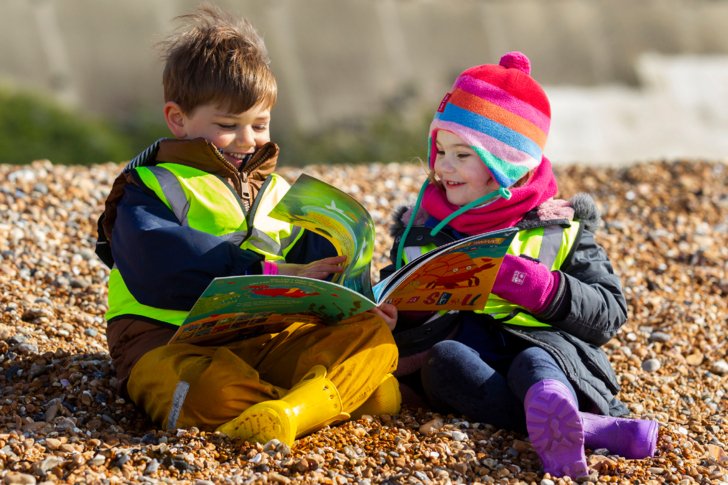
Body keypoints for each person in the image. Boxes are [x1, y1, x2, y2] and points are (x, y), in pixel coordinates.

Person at [96, 4, 400, 447]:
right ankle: (323, 400)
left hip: (264, 339)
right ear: (178, 118)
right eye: (227, 125)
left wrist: (362, 303)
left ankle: (286, 414)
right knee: (207, 392)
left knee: (372, 339)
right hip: (165, 342)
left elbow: (326, 276)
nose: (247, 140)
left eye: (259, 124)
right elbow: (159, 264)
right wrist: (266, 273)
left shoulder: (280, 193)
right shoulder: (147, 185)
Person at [383, 51, 659, 478]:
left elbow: (609, 313)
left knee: (535, 364)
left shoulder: (559, 227)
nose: (442, 166)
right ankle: (587, 429)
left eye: (462, 155)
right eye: (440, 149)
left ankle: (564, 415)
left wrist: (539, 286)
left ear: (504, 167)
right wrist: (393, 314)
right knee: (445, 362)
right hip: (468, 354)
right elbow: (394, 285)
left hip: (549, 351)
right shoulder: (420, 227)